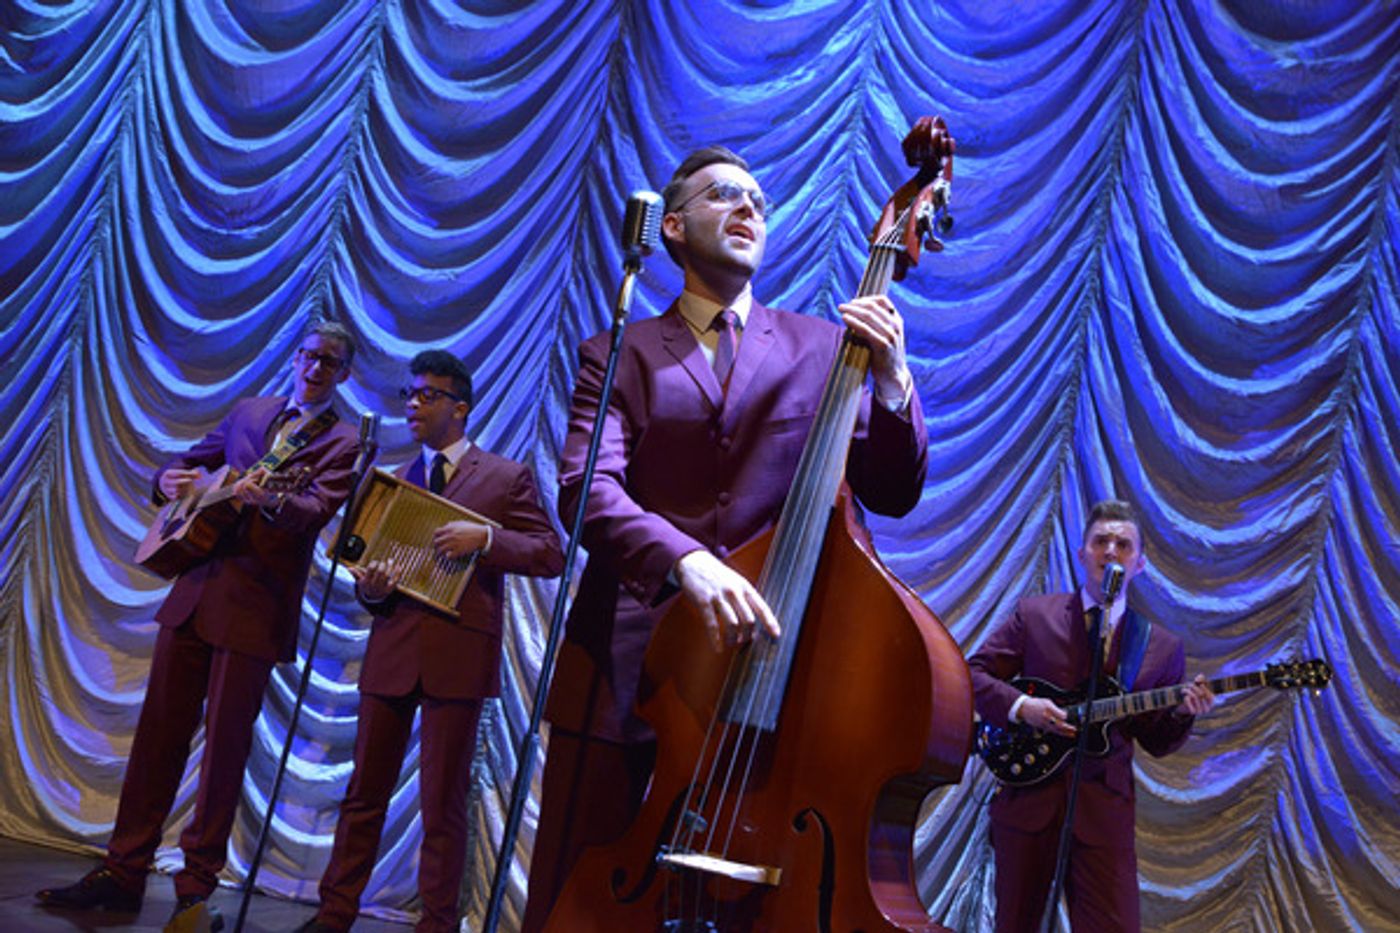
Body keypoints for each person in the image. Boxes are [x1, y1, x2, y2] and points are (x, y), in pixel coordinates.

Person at [520, 145, 930, 930]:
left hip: (767, 673)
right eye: (723, 196)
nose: (748, 207)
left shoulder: (822, 347)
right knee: (575, 893)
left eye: (758, 201)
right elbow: (585, 490)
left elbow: (892, 490)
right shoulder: (618, 351)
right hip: (626, 664)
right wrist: (688, 563)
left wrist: (891, 378)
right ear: (671, 227)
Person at [37, 320, 364, 931]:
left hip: (256, 606)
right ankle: (122, 870)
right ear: (294, 359)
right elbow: (185, 465)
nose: (317, 368)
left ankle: (194, 891)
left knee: (222, 758)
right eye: (310, 356)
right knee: (157, 739)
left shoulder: (343, 441)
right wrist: (167, 482)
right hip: (195, 590)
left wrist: (272, 499)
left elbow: (314, 511)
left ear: (345, 374)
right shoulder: (249, 412)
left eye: (331, 362)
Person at [295, 350, 563, 933]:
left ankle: (438, 925)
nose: (413, 405)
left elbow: (550, 553)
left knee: (443, 805)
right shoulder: (391, 480)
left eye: (426, 395)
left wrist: (486, 538)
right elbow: (367, 571)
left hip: (457, 658)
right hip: (392, 651)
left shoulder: (503, 477)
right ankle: (334, 913)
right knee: (363, 794)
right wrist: (371, 588)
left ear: (460, 407)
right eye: (408, 396)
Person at [967, 498, 1216, 933]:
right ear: (1083, 554)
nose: (1111, 551)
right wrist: (1024, 708)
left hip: (1103, 817)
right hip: (1030, 801)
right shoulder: (1036, 615)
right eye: (1101, 541)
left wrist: (1182, 713)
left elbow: (1156, 740)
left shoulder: (1159, 647)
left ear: (1139, 564)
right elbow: (972, 674)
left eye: (1123, 544)